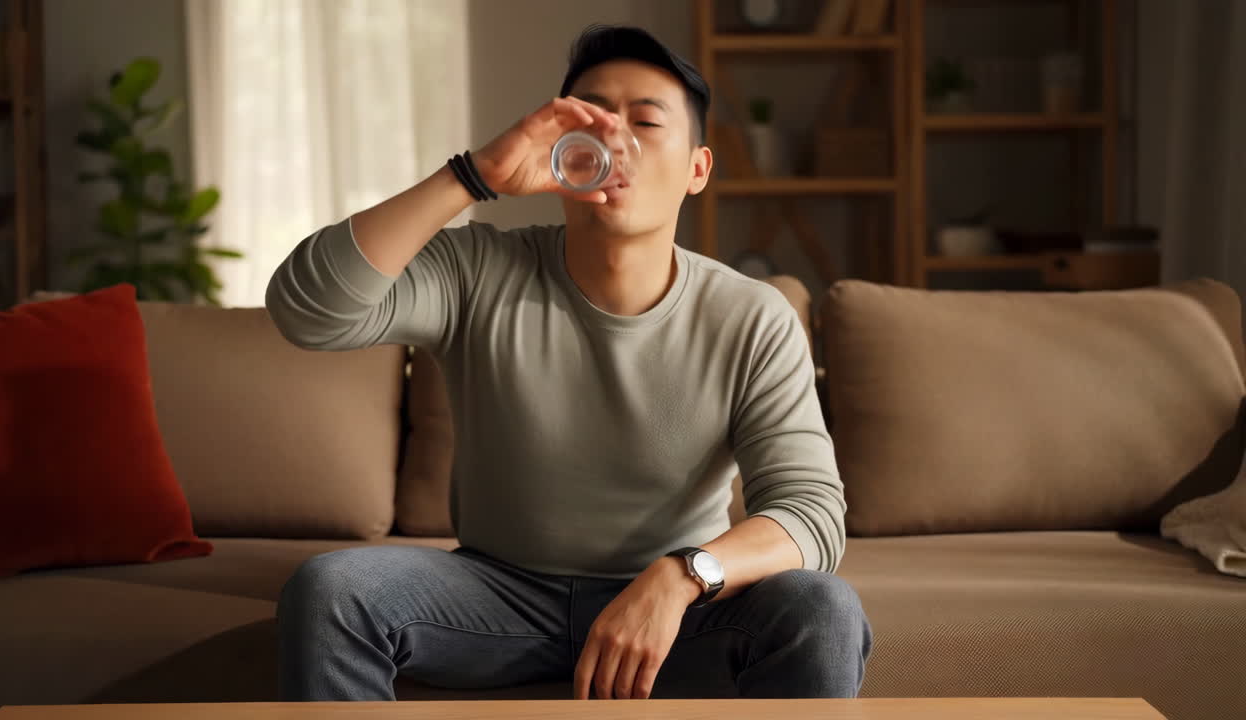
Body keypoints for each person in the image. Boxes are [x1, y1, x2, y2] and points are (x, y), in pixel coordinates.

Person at [266, 23, 872, 702]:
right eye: (591, 117)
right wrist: (469, 178)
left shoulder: (752, 316)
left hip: (679, 613)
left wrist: (679, 577)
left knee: (822, 610)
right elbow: (308, 311)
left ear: (698, 169)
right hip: (496, 595)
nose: (614, 138)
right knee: (331, 591)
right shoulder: (479, 269)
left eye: (644, 120)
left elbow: (811, 512)